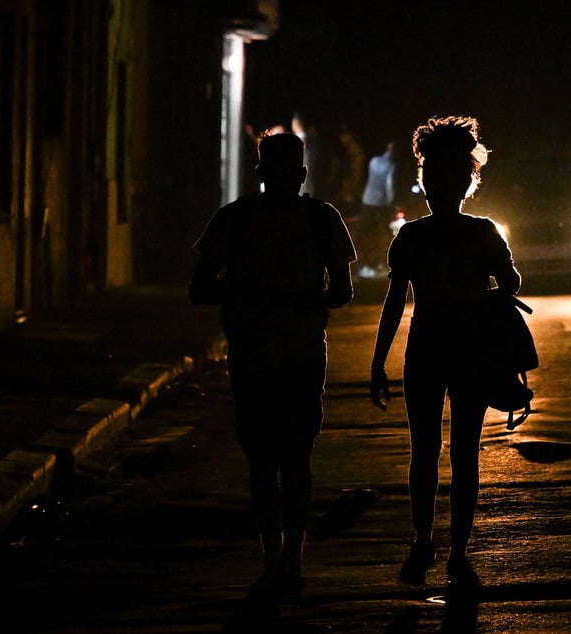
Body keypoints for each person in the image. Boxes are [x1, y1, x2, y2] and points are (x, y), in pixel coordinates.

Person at [189, 132, 356, 599]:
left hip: (292, 356)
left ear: (300, 174)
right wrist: (272, 297)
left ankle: (286, 559)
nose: (284, 178)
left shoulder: (318, 220)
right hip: (262, 356)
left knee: (284, 459)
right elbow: (200, 288)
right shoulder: (238, 220)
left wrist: (281, 299)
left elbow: (342, 292)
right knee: (271, 459)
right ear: (262, 174)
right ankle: (279, 560)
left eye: (291, 170)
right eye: (276, 170)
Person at [368, 115, 521, 586]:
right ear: (468, 182)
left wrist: (378, 362)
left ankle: (425, 542)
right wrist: (487, 298)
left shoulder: (413, 237)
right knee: (463, 452)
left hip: (428, 348)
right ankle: (455, 549)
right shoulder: (483, 231)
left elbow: (396, 302)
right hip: (468, 348)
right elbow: (511, 282)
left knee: (426, 451)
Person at [359, 141, 399, 278]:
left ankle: (362, 260)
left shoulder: (374, 160)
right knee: (383, 232)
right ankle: (382, 261)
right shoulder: (392, 165)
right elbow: (390, 185)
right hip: (381, 203)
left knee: (366, 230)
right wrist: (392, 203)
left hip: (367, 199)